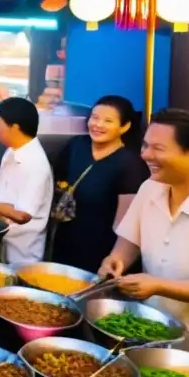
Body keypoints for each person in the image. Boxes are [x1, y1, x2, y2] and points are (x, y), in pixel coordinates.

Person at [98, 109, 189, 353]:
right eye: (145, 145)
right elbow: (129, 241)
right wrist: (115, 260)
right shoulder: (150, 187)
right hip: (149, 321)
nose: (146, 155)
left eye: (158, 148)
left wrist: (158, 285)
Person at [50, 95, 148, 274]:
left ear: (124, 127)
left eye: (108, 121)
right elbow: (58, 180)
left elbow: (125, 224)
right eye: (94, 118)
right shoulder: (76, 146)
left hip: (100, 249)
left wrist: (116, 258)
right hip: (65, 241)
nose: (98, 124)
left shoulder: (130, 164)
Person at [0, 97, 51, 265]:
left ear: (15, 128)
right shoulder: (12, 151)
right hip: (2, 240)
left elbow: (23, 214)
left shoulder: (36, 164)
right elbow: (5, 194)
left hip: (22, 253)